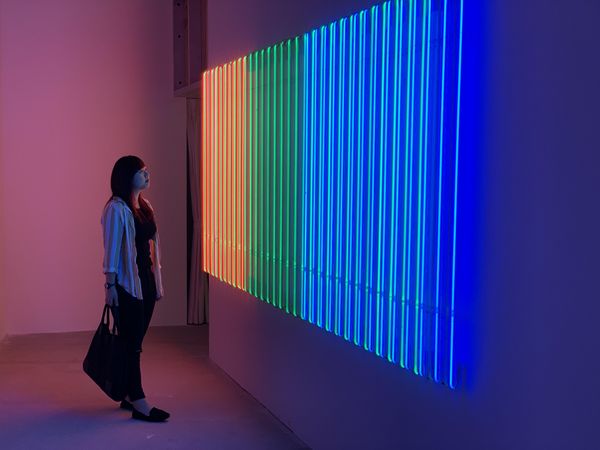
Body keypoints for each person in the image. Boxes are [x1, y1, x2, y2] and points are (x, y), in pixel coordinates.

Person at [100, 155, 170, 422]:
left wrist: (155, 281)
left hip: (146, 282)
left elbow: (152, 245)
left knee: (136, 341)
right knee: (132, 344)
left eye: (146, 170)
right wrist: (110, 285)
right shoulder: (116, 210)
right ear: (126, 176)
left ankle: (129, 394)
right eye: (141, 171)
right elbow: (112, 250)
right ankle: (139, 400)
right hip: (128, 285)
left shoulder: (144, 205)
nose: (147, 174)